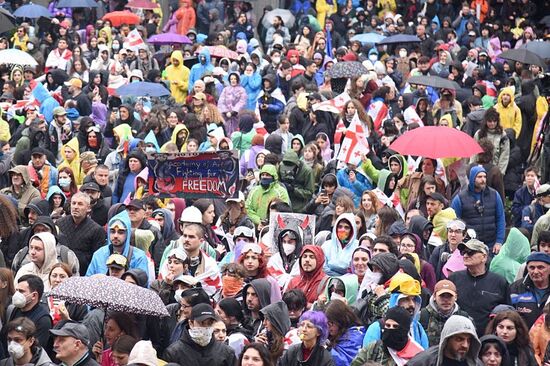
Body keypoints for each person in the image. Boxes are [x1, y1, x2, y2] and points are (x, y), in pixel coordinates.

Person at [449, 239, 510, 335]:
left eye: (470, 252)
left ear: (484, 257)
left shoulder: (499, 282)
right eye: (463, 252)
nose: (465, 255)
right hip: (458, 336)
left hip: (487, 341)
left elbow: (507, 314)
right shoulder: (454, 278)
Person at [451, 165, 505, 254]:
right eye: (479, 177)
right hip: (470, 245)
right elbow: (455, 223)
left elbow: (500, 219)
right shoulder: (460, 198)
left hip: (491, 245)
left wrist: (499, 241)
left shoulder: (495, 195)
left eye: (484, 177)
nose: (483, 180)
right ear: (472, 178)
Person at [163, 303, 237, 366]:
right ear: (191, 323)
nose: (206, 327)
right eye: (202, 323)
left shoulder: (227, 352)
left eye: (209, 323)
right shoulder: (174, 352)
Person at [86, 210, 149, 278]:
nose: (115, 235)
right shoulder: (99, 254)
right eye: (112, 231)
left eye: (120, 232)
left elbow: (143, 285)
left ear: (127, 233)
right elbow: (88, 280)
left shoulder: (139, 257)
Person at [352, 307, 424, 365]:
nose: (390, 329)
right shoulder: (374, 347)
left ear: (405, 329)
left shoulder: (417, 355)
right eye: (388, 325)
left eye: (395, 326)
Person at [56, 192, 106, 275]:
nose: (75, 207)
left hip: (84, 273)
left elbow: (97, 258)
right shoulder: (60, 223)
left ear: (88, 208)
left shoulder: (97, 230)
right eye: (73, 203)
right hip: (61, 271)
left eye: (80, 204)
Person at [408, 315, 483, 366]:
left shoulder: (475, 363)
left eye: (469, 340)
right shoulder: (425, 361)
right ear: (447, 339)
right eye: (459, 339)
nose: (465, 345)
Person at [5, 275, 52, 352]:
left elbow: (38, 349)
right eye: (16, 290)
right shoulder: (15, 310)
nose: (16, 294)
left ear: (34, 295)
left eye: (21, 291)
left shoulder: (43, 319)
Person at [419, 279, 471, 346]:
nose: (446, 300)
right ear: (434, 296)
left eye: (449, 296)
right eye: (442, 296)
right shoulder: (423, 315)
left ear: (455, 297)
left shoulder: (464, 318)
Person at [510, 252, 550, 328]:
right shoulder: (516, 288)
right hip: (523, 337)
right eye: (531, 267)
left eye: (540, 267)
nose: (535, 271)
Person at [324, 300, 365, 366]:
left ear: (340, 319)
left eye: (330, 323)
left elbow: (345, 362)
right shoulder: (336, 333)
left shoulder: (356, 337)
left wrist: (325, 347)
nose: (328, 328)